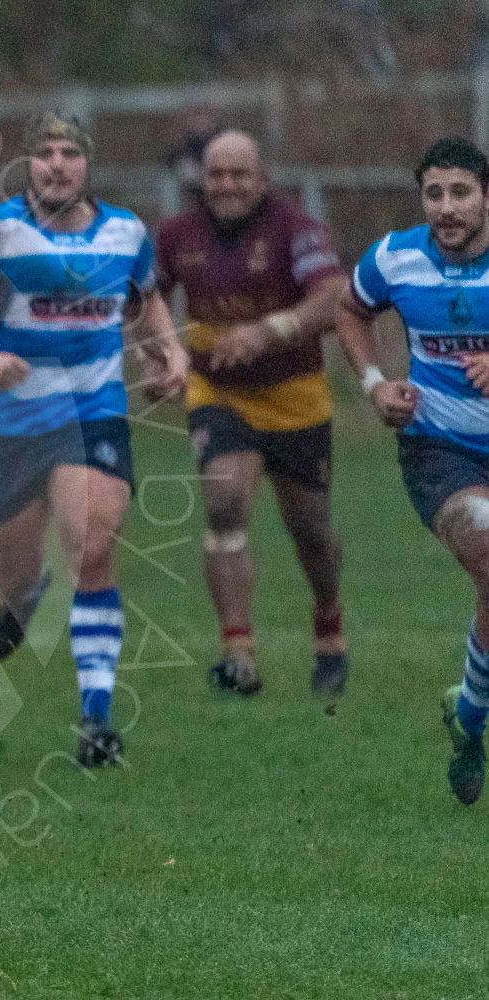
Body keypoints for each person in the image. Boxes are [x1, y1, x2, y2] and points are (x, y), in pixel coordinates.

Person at [0, 112, 187, 767]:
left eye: (69, 153)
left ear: (87, 164)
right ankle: (21, 598)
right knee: (17, 571)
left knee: (92, 544)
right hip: (9, 428)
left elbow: (146, 297)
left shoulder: (125, 233)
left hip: (92, 412)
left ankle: (96, 718)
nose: (57, 165)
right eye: (44, 154)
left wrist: (166, 353)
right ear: (28, 165)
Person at [156, 130, 350, 698]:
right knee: (223, 502)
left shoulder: (297, 228)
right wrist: (161, 352)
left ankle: (328, 620)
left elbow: (335, 297)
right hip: (218, 394)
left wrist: (270, 330)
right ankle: (237, 652)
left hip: (296, 397)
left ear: (262, 178)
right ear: (202, 178)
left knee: (311, 531)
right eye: (217, 174)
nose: (227, 185)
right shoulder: (175, 233)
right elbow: (143, 299)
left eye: (240, 174)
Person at [336, 137, 489, 805]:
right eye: (435, 193)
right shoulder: (396, 257)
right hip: (440, 450)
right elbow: (349, 309)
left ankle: (470, 717)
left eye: (460, 192)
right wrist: (373, 383)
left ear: (486, 195)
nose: (447, 207)